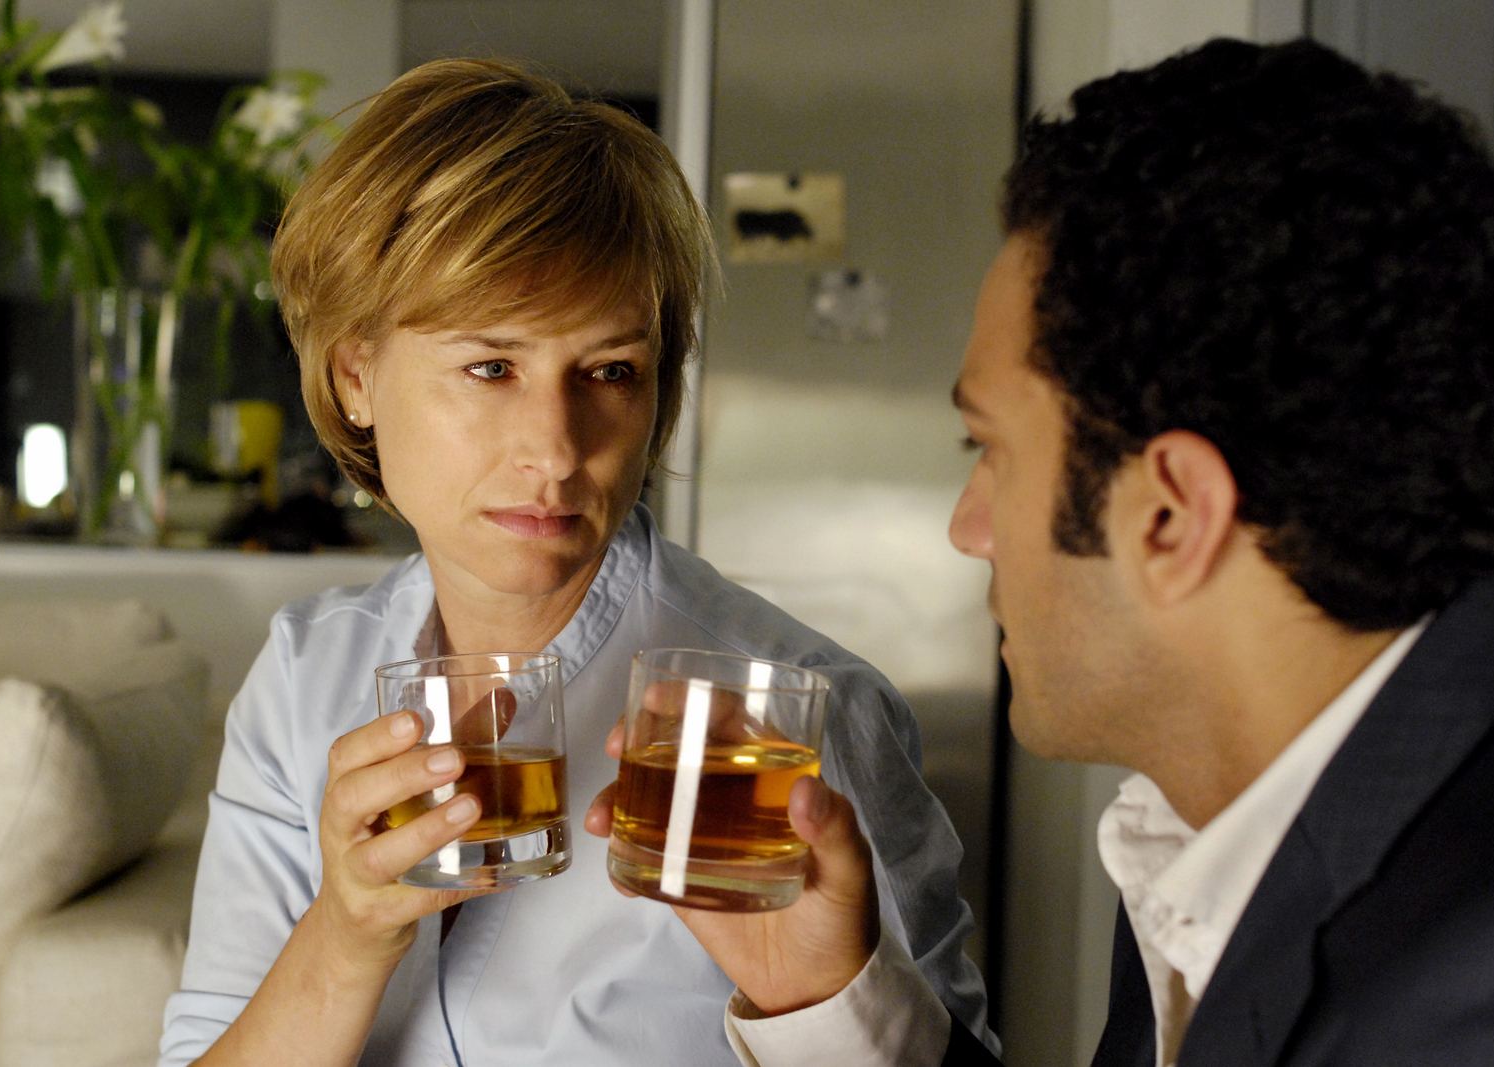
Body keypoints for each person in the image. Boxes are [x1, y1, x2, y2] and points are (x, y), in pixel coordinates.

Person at [583, 37, 1494, 1066]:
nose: (967, 527)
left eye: (989, 449)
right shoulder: (1225, 818)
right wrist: (824, 996)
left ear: (1170, 517)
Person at [158, 59, 995, 1067]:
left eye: (608, 371)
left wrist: (819, 1004)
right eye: (492, 366)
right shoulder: (304, 675)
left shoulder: (798, 718)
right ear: (356, 374)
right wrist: (344, 935)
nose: (557, 450)